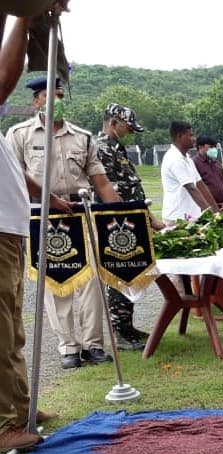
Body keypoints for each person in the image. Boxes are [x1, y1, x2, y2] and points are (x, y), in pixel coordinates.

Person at [8, 75, 123, 370]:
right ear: (36, 101)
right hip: (43, 215)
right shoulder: (20, 135)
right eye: (48, 96)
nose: (55, 101)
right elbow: (14, 179)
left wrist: (123, 213)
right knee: (55, 281)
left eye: (59, 95)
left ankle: (93, 345)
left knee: (92, 278)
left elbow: (101, 182)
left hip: (80, 210)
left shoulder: (83, 137)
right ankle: (68, 347)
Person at [0, 6, 69, 451]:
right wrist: (21, 17)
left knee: (12, 324)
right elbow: (3, 80)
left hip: (10, 226)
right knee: (0, 326)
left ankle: (18, 405)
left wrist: (48, 196)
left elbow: (9, 163)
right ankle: (5, 424)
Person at [96, 102, 159, 351]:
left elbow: (133, 189)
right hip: (116, 223)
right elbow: (109, 190)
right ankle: (119, 332)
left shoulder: (118, 149)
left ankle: (127, 327)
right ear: (113, 123)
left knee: (129, 272)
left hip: (130, 220)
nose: (129, 132)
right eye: (127, 127)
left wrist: (150, 220)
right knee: (118, 274)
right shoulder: (101, 150)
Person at [161, 120, 218, 225]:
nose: (194, 139)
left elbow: (201, 185)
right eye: (190, 135)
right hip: (177, 219)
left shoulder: (187, 158)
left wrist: (216, 211)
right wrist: (210, 215)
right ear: (179, 136)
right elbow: (191, 188)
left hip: (190, 218)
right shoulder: (174, 159)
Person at [193, 135, 223, 211]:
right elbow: (196, 189)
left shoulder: (217, 163)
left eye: (214, 147)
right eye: (210, 147)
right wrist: (210, 206)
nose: (214, 149)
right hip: (205, 210)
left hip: (221, 207)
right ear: (200, 147)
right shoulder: (194, 163)